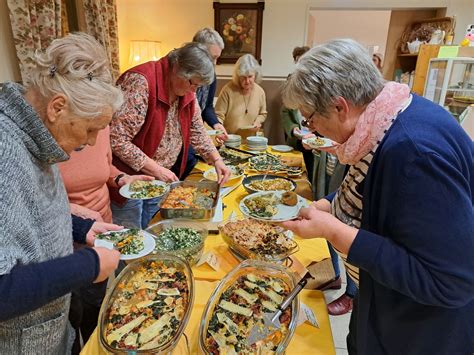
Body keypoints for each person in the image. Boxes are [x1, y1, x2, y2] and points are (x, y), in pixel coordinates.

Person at [281, 39, 473, 354]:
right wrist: (329, 203)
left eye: (310, 118)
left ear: (339, 106)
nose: (311, 128)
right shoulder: (383, 120)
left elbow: (450, 282)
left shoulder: (414, 153)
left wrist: (332, 229)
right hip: (380, 306)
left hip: (418, 333)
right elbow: (371, 188)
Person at [0, 33, 122, 353]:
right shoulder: (4, 152)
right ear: (57, 107)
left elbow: (28, 215)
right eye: (90, 128)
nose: (93, 142)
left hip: (53, 328)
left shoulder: (36, 131)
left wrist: (82, 227)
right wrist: (90, 265)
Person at [110, 42, 231, 229]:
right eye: (193, 84)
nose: (194, 91)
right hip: (129, 180)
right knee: (131, 239)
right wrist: (155, 169)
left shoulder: (186, 90)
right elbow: (117, 140)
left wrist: (216, 159)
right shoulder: (140, 82)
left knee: (154, 230)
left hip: (160, 178)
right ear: (178, 69)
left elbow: (197, 130)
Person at [178, 28, 230, 178]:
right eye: (212, 57)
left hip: (193, 136)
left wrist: (216, 123)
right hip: (179, 141)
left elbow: (206, 107)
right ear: (197, 51)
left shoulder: (211, 75)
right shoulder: (182, 76)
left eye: (217, 58)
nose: (214, 64)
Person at [281, 45, 315, 178]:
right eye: (297, 61)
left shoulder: (317, 82)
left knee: (311, 172)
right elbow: (285, 111)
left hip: (314, 139)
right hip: (296, 139)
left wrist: (315, 131)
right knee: (293, 173)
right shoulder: (291, 80)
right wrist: (293, 129)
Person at [215, 54, 267, 135]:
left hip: (251, 141)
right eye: (243, 77)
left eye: (250, 76)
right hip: (230, 139)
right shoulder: (228, 90)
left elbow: (263, 114)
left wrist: (258, 121)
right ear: (238, 76)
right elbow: (218, 115)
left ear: (256, 75)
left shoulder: (260, 92)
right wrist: (219, 129)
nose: (247, 81)